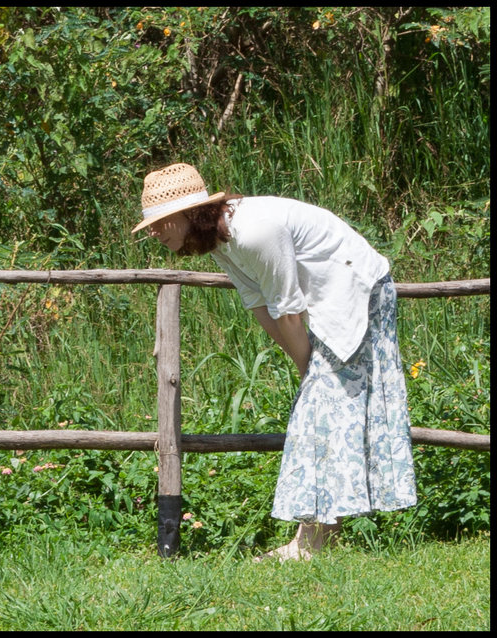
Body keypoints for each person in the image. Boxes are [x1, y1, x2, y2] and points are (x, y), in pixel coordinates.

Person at [132, 162, 417, 562]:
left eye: (161, 222)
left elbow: (287, 310)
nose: (154, 232)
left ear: (190, 214)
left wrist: (309, 373)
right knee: (319, 411)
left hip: (359, 292)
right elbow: (260, 305)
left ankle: (310, 544)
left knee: (317, 414)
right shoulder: (221, 240)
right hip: (322, 302)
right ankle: (321, 538)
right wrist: (306, 370)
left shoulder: (254, 232)